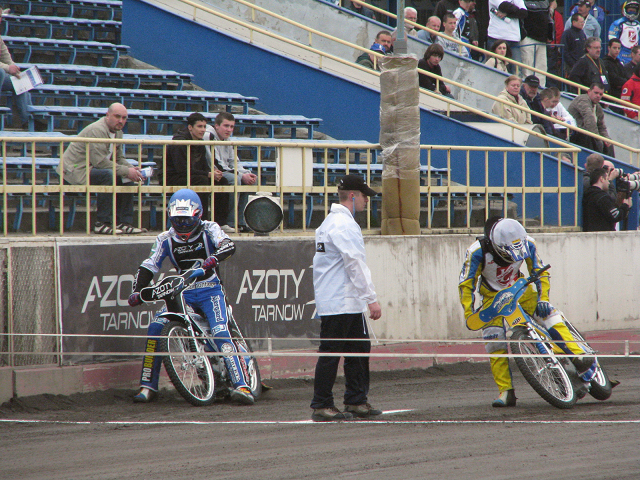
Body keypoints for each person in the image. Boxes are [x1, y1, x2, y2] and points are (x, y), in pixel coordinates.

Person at [128, 188, 255, 405]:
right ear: (170, 216)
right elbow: (149, 265)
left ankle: (241, 385)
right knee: (156, 326)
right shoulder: (164, 238)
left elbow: (228, 245)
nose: (183, 224)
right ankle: (148, 386)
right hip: (182, 292)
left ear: (198, 214)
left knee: (220, 331)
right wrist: (137, 291)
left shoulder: (210, 228)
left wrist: (214, 258)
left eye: (187, 220)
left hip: (210, 289)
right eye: (178, 220)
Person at [459, 217, 595, 407]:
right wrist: (469, 313)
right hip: (492, 300)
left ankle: (578, 354)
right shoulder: (476, 251)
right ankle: (505, 391)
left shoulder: (528, 242)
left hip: (521, 289)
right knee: (493, 341)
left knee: (549, 314)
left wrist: (543, 299)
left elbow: (540, 270)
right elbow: (466, 284)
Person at [310, 174, 382, 422]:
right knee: (338, 353)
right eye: (364, 196)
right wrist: (371, 298)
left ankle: (355, 400)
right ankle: (324, 404)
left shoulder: (329, 223)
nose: (366, 201)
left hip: (340, 300)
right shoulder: (344, 225)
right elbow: (355, 263)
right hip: (342, 300)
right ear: (353, 196)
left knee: (355, 350)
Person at [56, 103, 145, 235]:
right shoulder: (97, 130)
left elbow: (118, 158)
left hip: (91, 169)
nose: (121, 121)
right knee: (108, 175)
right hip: (75, 172)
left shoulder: (118, 132)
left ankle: (124, 223)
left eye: (124, 118)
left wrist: (131, 170)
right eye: (117, 116)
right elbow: (100, 162)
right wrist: (127, 171)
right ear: (107, 115)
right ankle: (102, 223)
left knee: (126, 179)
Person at [160, 112, 229, 224]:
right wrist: (207, 174)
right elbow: (182, 170)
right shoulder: (179, 142)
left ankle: (220, 223)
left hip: (192, 175)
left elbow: (203, 166)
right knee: (202, 181)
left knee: (222, 181)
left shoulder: (200, 142)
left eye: (204, 127)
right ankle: (202, 221)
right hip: (172, 177)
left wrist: (213, 172)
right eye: (199, 126)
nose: (203, 130)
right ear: (190, 127)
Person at [204, 113, 256, 233]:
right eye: (226, 126)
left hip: (225, 171)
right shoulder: (209, 136)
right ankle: (230, 222)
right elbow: (215, 163)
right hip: (211, 172)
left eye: (232, 127)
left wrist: (246, 173)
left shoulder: (227, 139)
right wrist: (241, 175)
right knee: (235, 180)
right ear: (217, 126)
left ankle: (242, 222)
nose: (229, 130)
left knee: (252, 180)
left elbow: (234, 161)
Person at [568, 82, 613, 155]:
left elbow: (601, 126)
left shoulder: (598, 108)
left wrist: (606, 139)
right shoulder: (583, 100)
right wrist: (599, 139)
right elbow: (589, 120)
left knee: (609, 144)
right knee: (594, 141)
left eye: (600, 94)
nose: (598, 96)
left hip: (588, 135)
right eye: (596, 93)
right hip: (575, 134)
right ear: (589, 91)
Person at [519, 0, 553, 87]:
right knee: (527, 66)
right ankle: (526, 88)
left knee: (542, 67)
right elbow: (521, 18)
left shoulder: (545, 2)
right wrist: (523, 35)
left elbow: (549, 19)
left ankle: (541, 88)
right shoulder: (524, 1)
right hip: (528, 38)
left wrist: (549, 35)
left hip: (542, 40)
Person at [608, 0, 640, 64]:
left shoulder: (638, 25)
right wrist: (618, 58)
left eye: (634, 11)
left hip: (635, 57)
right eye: (630, 10)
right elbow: (612, 41)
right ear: (624, 10)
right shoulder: (618, 24)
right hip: (621, 56)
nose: (632, 13)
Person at [561, 13, 588, 78]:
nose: (583, 24)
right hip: (571, 66)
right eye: (581, 22)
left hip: (582, 65)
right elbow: (564, 51)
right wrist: (573, 64)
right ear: (574, 22)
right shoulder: (567, 34)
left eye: (583, 22)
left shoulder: (582, 33)